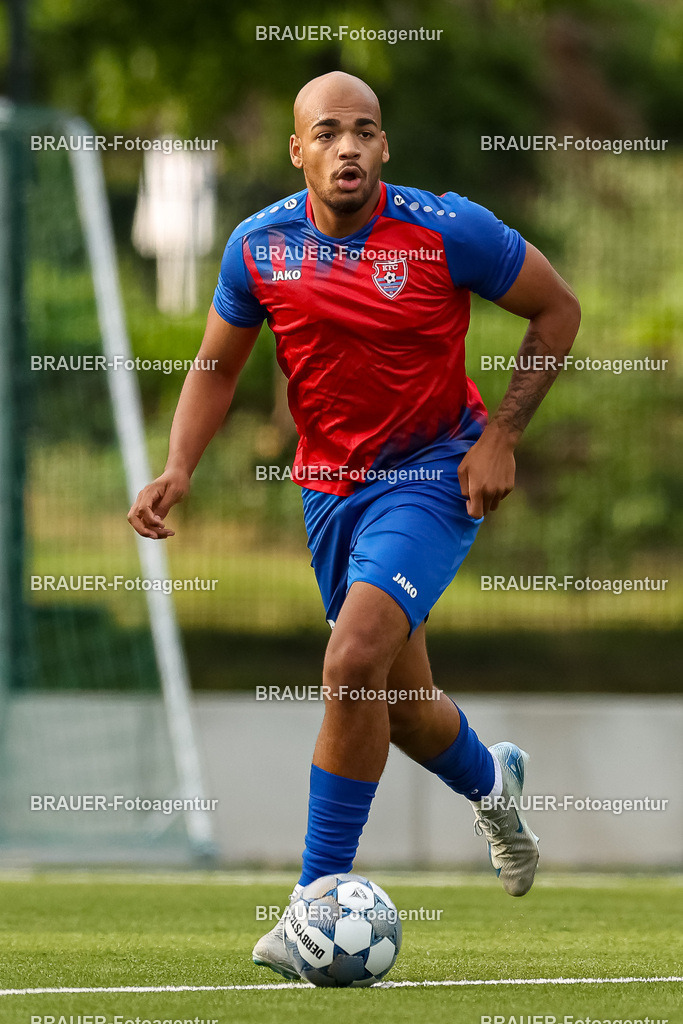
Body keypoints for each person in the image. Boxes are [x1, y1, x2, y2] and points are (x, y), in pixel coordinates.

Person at [128, 71, 581, 979]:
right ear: (297, 150)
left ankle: (308, 905)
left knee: (349, 660)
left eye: (364, 132)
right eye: (327, 132)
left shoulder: (446, 228)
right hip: (330, 491)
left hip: (431, 475)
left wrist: (499, 438)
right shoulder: (259, 248)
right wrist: (179, 465)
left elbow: (556, 309)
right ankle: (493, 785)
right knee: (400, 705)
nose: (348, 147)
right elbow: (216, 370)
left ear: (385, 148)